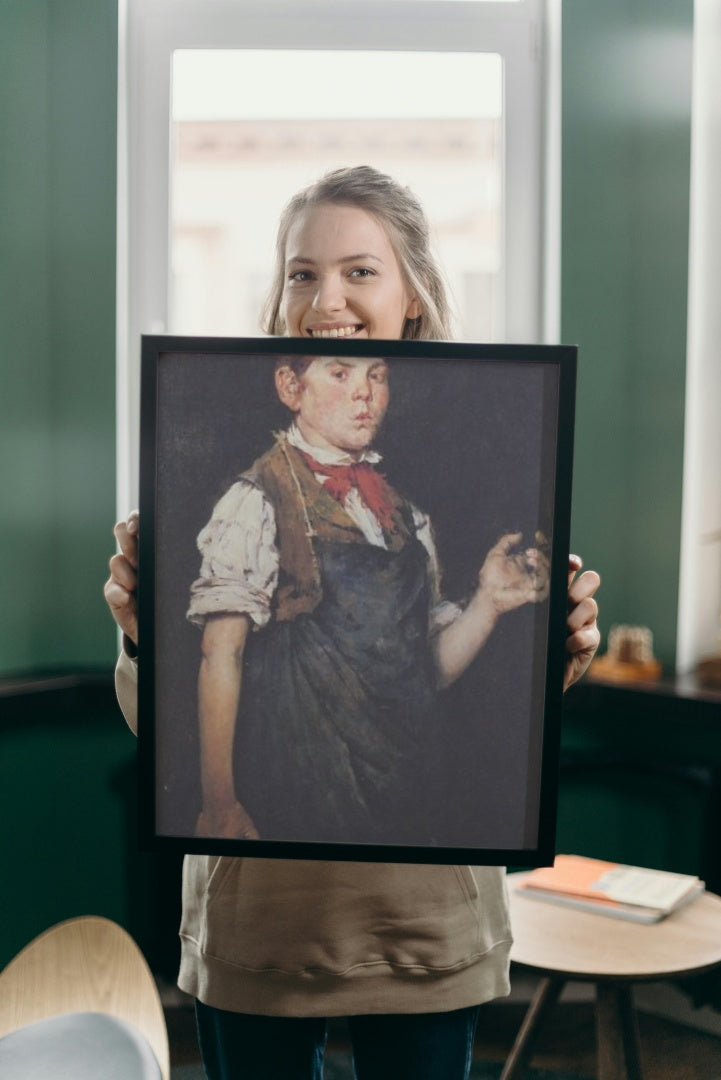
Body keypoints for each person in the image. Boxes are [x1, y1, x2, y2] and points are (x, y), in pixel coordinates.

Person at [105, 166, 601, 1080]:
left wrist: (502, 611)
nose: (326, 298)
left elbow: (416, 671)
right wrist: (156, 669)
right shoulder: (247, 503)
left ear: (412, 296)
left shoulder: (405, 513)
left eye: (359, 272)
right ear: (290, 379)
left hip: (422, 912)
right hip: (265, 914)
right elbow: (201, 675)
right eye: (302, 273)